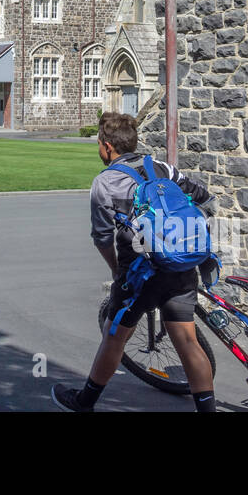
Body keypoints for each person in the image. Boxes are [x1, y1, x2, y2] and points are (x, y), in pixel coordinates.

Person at [51, 111, 218, 413]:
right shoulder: (161, 167)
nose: (99, 149)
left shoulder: (105, 183)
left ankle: (84, 402)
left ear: (108, 147)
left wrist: (117, 271)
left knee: (114, 337)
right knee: (188, 342)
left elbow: (102, 237)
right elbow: (204, 198)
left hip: (139, 274)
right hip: (180, 265)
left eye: (99, 144)